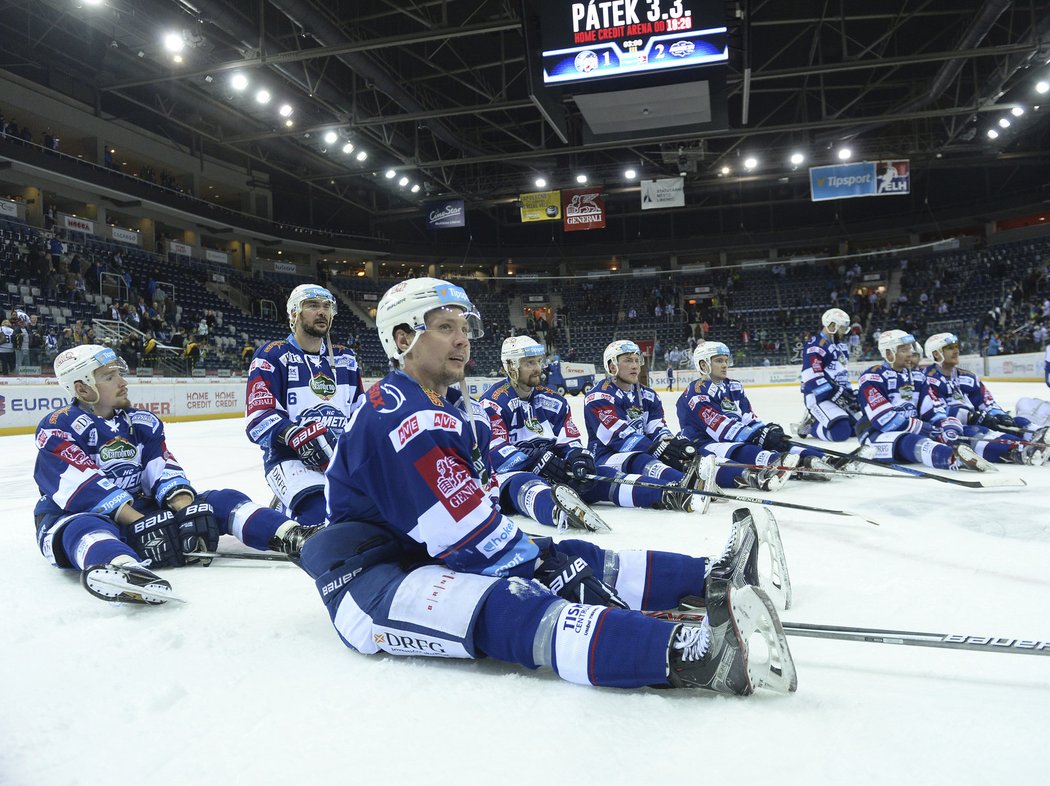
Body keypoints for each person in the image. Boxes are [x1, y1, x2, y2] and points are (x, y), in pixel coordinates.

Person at [297, 278, 796, 695]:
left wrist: (544, 555)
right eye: (445, 328)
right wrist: (532, 563)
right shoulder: (396, 412)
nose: (463, 339)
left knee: (575, 553)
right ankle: (689, 656)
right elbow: (459, 527)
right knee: (516, 602)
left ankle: (710, 578)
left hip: (421, 550)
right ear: (402, 337)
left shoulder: (451, 406)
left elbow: (478, 499)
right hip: (370, 578)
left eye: (465, 328)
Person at [33, 345, 313, 606]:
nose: (122, 382)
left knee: (221, 500)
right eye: (109, 377)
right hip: (72, 514)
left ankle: (292, 534)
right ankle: (123, 569)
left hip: (140, 508)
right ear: (83, 389)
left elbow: (162, 469)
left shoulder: (141, 422)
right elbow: (83, 488)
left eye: (119, 373)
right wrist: (145, 523)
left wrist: (186, 511)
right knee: (84, 529)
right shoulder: (58, 428)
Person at [482, 337, 697, 524]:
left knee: (600, 475)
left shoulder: (553, 400)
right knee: (526, 483)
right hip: (510, 475)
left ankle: (668, 492)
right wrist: (532, 459)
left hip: (552, 468)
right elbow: (494, 451)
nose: (538, 368)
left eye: (539, 361)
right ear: (510, 366)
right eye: (529, 363)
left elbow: (570, 440)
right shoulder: (492, 403)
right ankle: (559, 512)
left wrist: (576, 457)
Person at [245, 285, 363, 526]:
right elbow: (258, 417)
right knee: (324, 522)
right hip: (290, 460)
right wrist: (297, 435)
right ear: (294, 314)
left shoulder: (346, 359)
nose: (322, 312)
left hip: (340, 461)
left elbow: (361, 414)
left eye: (327, 306)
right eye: (312, 305)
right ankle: (286, 505)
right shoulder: (272, 355)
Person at [678, 342, 832, 490]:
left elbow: (747, 416)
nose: (725, 365)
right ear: (703, 365)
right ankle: (780, 462)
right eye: (719, 361)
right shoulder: (696, 393)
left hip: (736, 436)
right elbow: (720, 428)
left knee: (775, 441)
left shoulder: (733, 386)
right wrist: (755, 435)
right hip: (705, 443)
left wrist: (764, 430)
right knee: (744, 447)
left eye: (726, 360)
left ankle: (821, 458)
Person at [582, 340, 715, 510]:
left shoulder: (648, 395)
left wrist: (670, 443)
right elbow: (619, 436)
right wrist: (659, 448)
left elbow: (657, 428)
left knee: (679, 452)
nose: (635, 366)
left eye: (637, 360)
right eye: (628, 360)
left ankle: (694, 481)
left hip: (643, 450)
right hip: (605, 457)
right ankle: (686, 484)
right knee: (641, 458)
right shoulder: (599, 396)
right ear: (612, 365)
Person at [856, 330, 989, 471]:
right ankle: (952, 459)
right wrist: (925, 429)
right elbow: (884, 420)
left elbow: (933, 411)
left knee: (966, 432)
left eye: (910, 349)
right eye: (903, 350)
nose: (910, 353)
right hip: (876, 435)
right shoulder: (871, 377)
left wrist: (948, 429)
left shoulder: (918, 377)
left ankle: (1011, 451)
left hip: (912, 429)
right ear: (889, 353)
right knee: (913, 441)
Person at [921, 333, 1046, 466]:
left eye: (956, 346)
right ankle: (1018, 450)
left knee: (1012, 421)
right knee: (979, 433)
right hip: (952, 428)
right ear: (936, 354)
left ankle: (1039, 435)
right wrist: (971, 416)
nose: (956, 350)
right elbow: (936, 412)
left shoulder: (967, 376)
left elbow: (986, 402)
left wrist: (999, 415)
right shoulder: (926, 379)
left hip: (975, 421)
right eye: (950, 348)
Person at [794, 308, 861, 441]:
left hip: (837, 395)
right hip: (819, 397)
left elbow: (842, 374)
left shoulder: (841, 346)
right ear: (831, 326)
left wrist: (849, 394)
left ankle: (826, 419)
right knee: (841, 432)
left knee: (859, 428)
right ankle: (811, 425)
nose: (844, 332)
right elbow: (812, 379)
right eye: (842, 328)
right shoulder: (815, 346)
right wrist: (836, 393)